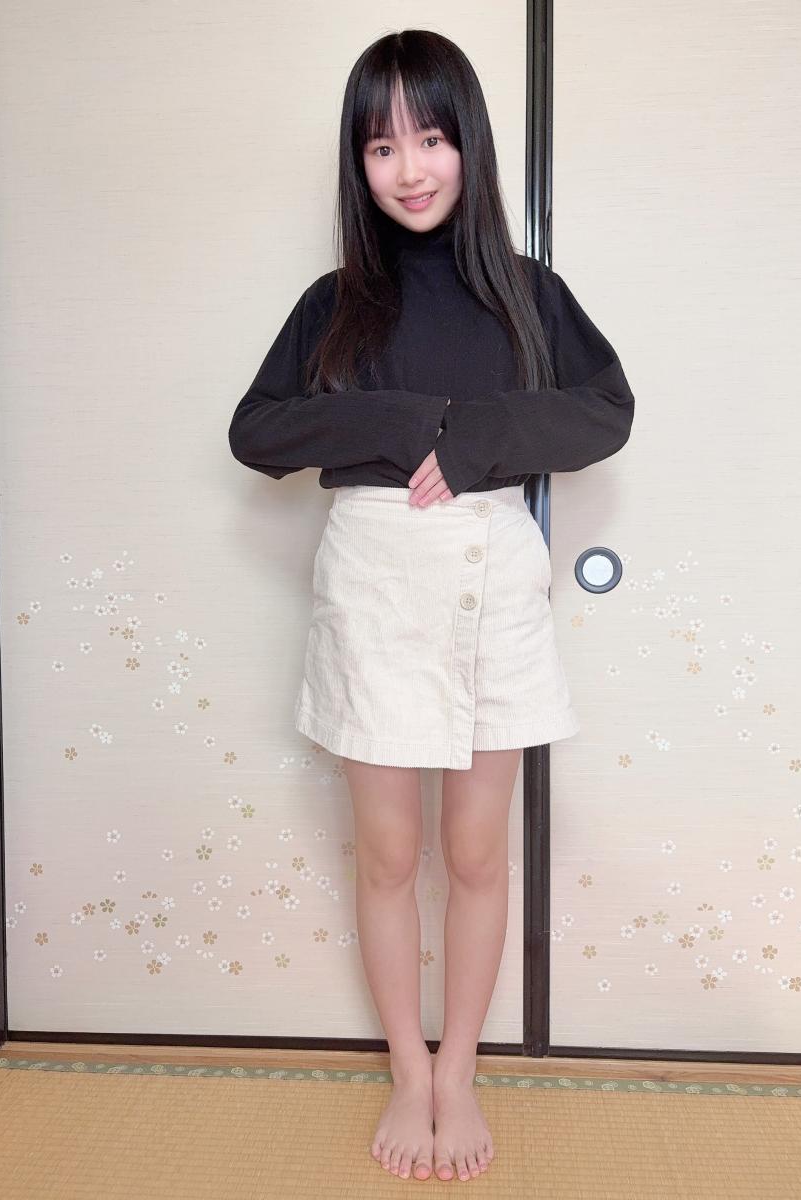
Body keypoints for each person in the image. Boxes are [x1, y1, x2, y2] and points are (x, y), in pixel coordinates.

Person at [228, 28, 634, 1185]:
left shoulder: (526, 293)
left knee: (474, 851)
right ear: (357, 164)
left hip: (494, 579)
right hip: (371, 582)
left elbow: (605, 409)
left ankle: (461, 1071)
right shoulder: (335, 304)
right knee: (390, 852)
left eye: (431, 137)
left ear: (471, 144)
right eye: (381, 146)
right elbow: (258, 431)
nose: (409, 168)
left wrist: (476, 440)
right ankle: (407, 1068)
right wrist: (405, 425)